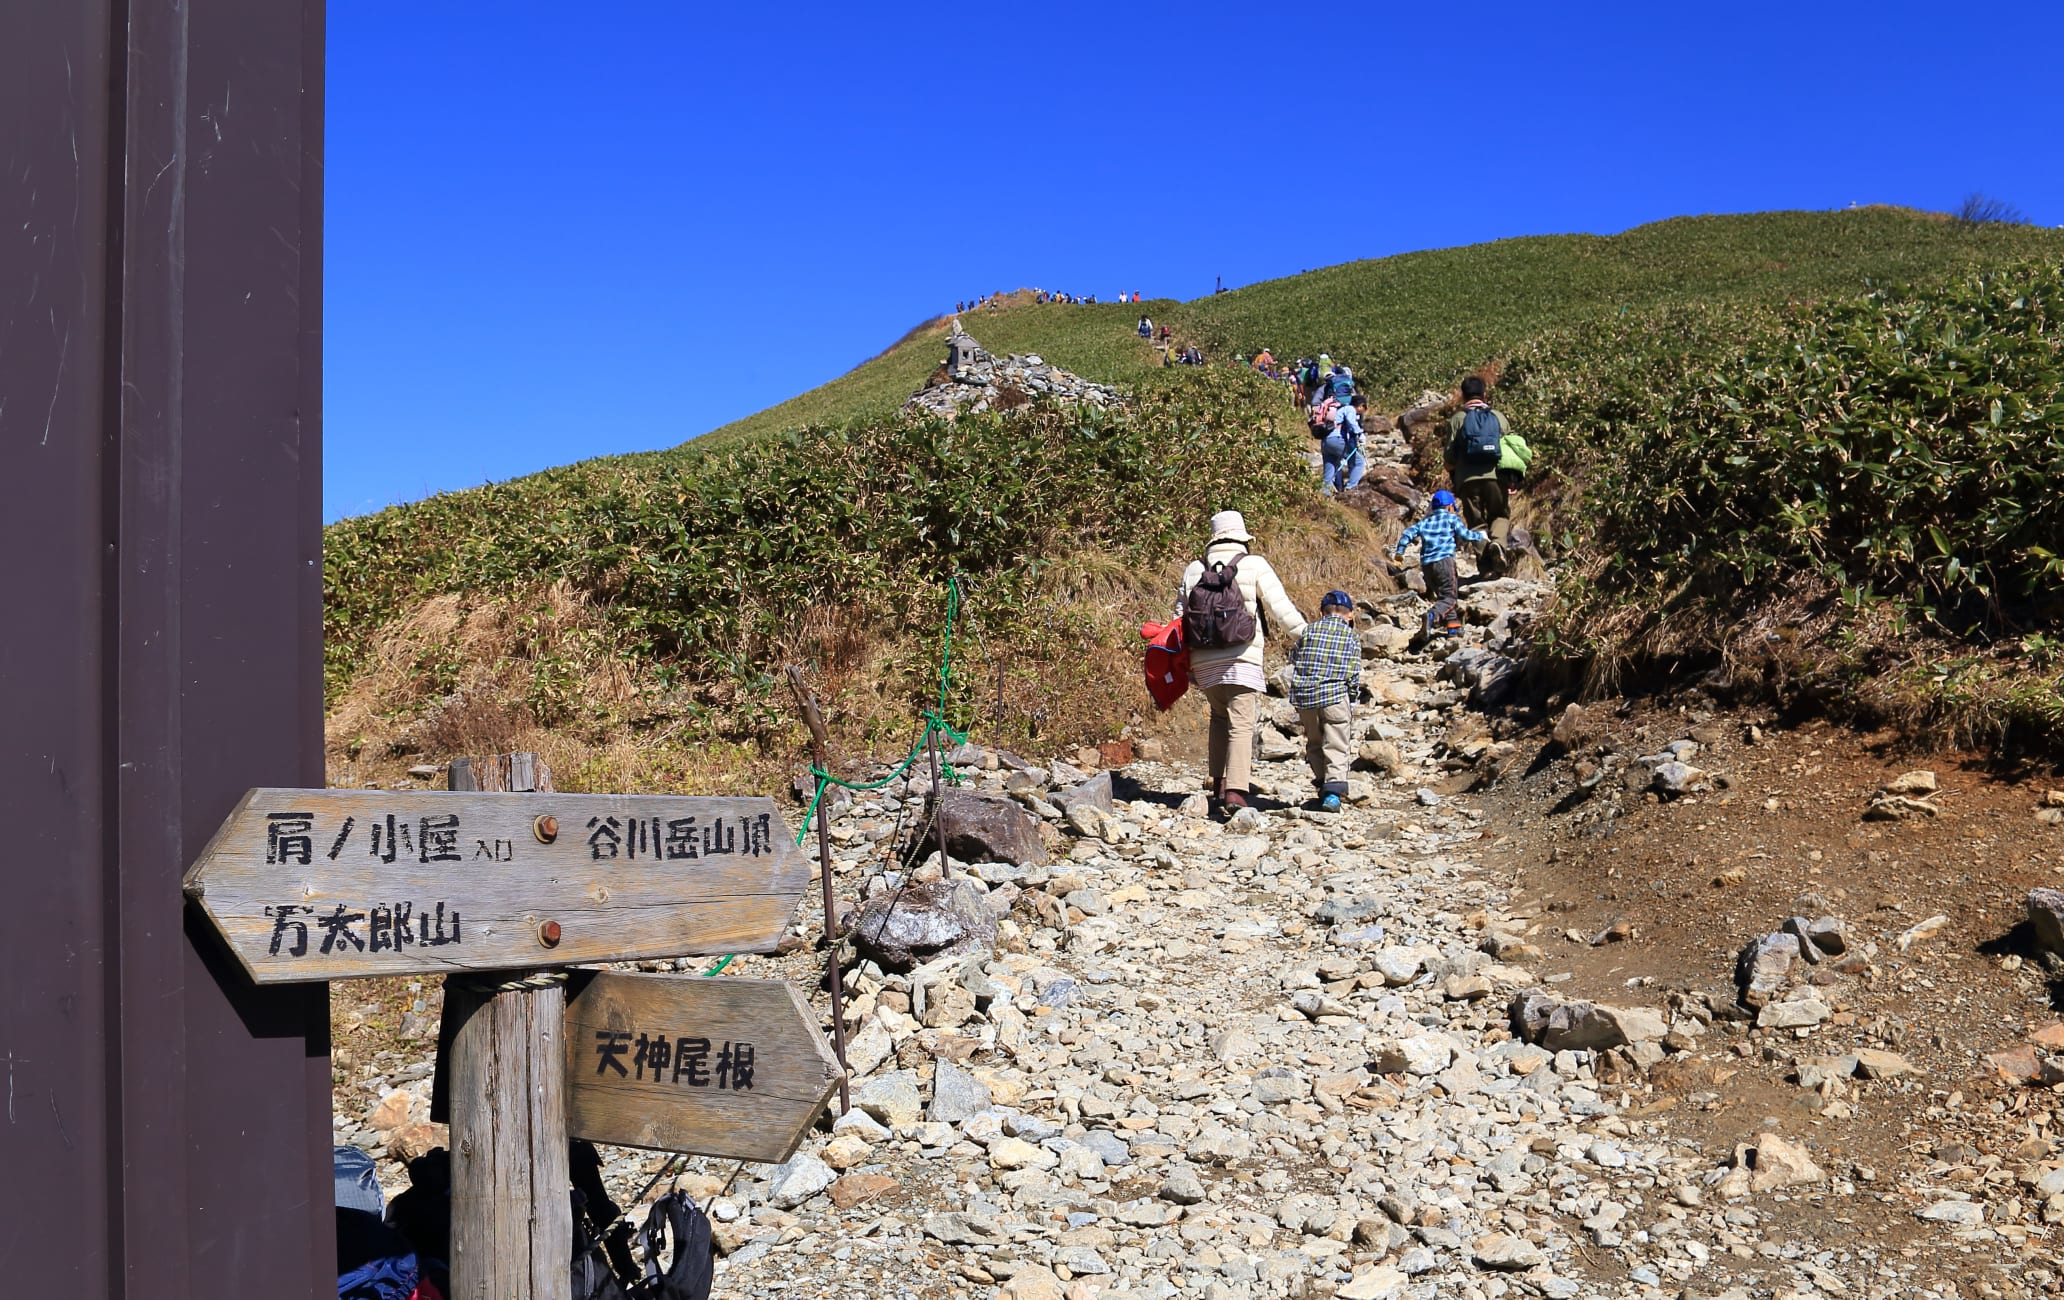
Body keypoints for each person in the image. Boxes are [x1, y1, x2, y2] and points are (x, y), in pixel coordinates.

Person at [1177, 511, 1308, 814]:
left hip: (1204, 661)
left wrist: (1185, 662)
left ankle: (1219, 783)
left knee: (1219, 718)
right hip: (1242, 657)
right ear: (1242, 537)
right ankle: (1236, 792)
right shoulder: (1253, 564)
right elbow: (1280, 607)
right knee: (1241, 723)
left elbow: (1179, 616)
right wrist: (1306, 634)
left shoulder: (1193, 569)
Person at [1290, 590, 1360, 811]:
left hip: (1306, 696)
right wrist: (1353, 699)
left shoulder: (1309, 630)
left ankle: (1322, 781)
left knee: (1314, 742)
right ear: (1350, 615)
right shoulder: (1351, 636)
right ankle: (1332, 793)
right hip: (1335, 696)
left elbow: (1294, 657)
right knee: (1337, 743)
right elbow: (1353, 672)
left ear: (1322, 613)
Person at [1392, 489, 1486, 637]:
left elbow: (1407, 533)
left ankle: (1453, 626)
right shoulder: (1451, 519)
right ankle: (1431, 616)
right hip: (1445, 562)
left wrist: (1400, 551)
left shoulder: (1425, 522)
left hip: (1428, 567)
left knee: (1443, 596)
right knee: (1450, 597)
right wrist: (1480, 535)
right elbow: (1465, 535)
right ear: (1449, 507)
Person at [1445, 375, 1512, 568]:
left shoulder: (1457, 419)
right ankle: (1498, 544)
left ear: (1462, 396)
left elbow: (1449, 460)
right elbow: (1509, 451)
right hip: (1496, 477)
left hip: (1467, 479)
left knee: (1475, 522)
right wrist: (1512, 479)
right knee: (1499, 515)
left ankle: (1484, 560)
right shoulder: (1498, 417)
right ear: (1484, 394)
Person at [1320, 394, 1367, 493]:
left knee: (1331, 465)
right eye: (1364, 408)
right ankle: (1351, 488)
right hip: (1337, 440)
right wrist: (1360, 433)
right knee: (1359, 462)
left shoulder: (1340, 410)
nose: (1363, 411)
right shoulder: (1350, 409)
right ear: (1361, 405)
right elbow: (1351, 421)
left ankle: (1324, 493)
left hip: (1325, 441)